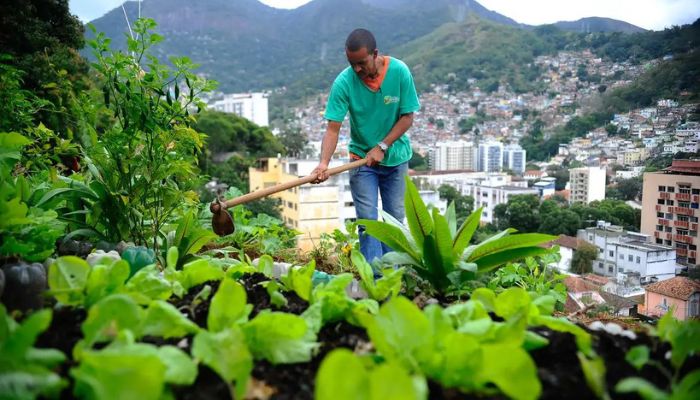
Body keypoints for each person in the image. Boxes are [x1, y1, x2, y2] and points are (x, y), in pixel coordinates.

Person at [311, 28, 420, 265]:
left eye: (361, 63)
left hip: (396, 159)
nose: (357, 70)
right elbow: (333, 128)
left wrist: (382, 145)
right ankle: (375, 278)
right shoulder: (344, 82)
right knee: (368, 221)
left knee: (393, 221)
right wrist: (323, 163)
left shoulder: (399, 72)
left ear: (375, 54)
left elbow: (407, 117)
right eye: (352, 64)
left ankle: (393, 274)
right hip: (362, 160)